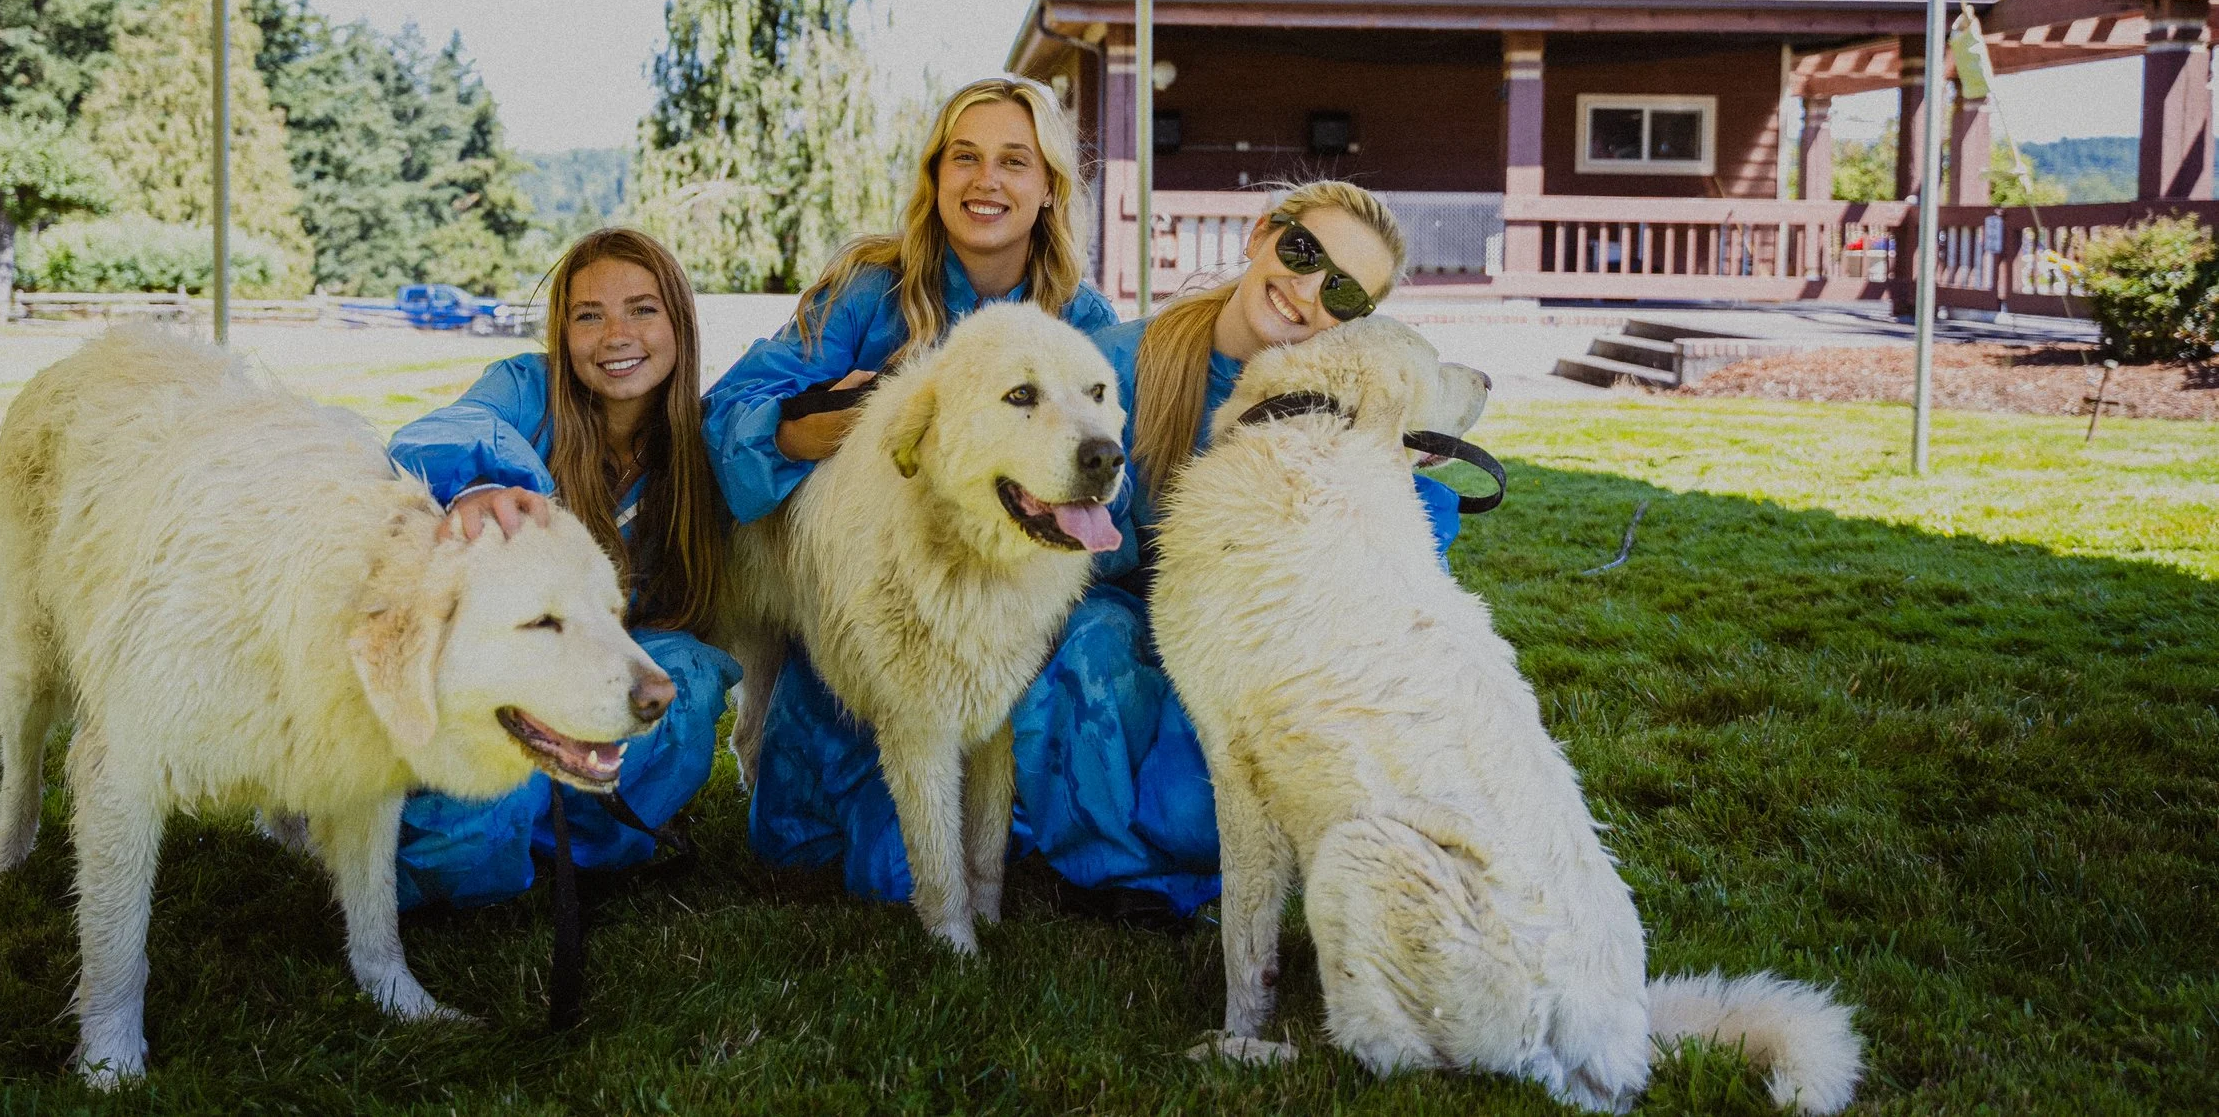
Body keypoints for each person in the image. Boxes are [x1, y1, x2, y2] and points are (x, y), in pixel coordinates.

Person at [702, 76, 1117, 898]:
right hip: (858, 587)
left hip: (1002, 602)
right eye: (964, 157)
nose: (985, 180)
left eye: (1013, 161)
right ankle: (769, 737)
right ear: (935, 176)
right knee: (827, 854)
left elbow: (1113, 458)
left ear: (1048, 189)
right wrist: (801, 429)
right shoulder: (867, 288)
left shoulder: (1084, 320)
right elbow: (732, 404)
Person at [1011, 179, 1468, 917]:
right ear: (1260, 235)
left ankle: (1203, 866)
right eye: (1302, 251)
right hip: (1104, 632)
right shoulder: (1116, 365)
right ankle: (1115, 875)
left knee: (1205, 787)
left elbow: (1411, 539)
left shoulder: (1330, 412)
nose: (1308, 290)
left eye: (1345, 295)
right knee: (1094, 639)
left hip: (1235, 657)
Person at [385, 228, 740, 909]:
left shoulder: (699, 441)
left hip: (604, 672)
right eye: (588, 314)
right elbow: (438, 433)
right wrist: (481, 488)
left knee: (689, 676)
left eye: (642, 308)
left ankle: (563, 838)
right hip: (514, 682)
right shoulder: (525, 390)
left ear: (678, 322)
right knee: (459, 867)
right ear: (562, 329)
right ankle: (491, 834)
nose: (616, 334)